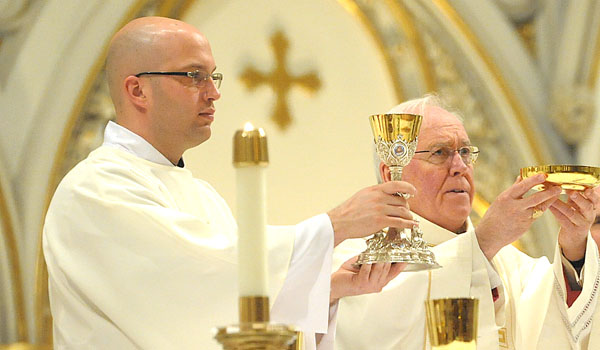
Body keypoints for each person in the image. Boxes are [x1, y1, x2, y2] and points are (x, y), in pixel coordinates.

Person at [42, 17, 414, 350]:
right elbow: (187, 293)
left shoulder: (200, 196)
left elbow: (231, 309)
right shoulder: (95, 189)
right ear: (137, 91)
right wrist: (335, 225)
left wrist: (327, 288)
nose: (213, 92)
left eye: (212, 76)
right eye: (192, 76)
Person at [334, 94, 600, 349]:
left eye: (465, 151)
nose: (460, 165)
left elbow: (562, 321)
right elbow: (380, 330)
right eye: (440, 152)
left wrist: (574, 249)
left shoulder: (507, 262)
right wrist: (482, 243)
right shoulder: (353, 258)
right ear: (392, 172)